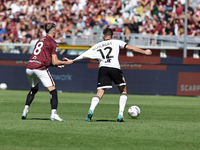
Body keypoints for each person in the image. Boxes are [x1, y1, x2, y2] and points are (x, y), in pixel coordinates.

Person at [72, 28, 152, 122]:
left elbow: (83, 55)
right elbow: (130, 47)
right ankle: (120, 115)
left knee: (99, 93)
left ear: (103, 36)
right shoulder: (116, 42)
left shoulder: (97, 45)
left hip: (103, 68)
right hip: (114, 67)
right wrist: (145, 52)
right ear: (112, 36)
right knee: (123, 91)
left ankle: (90, 110)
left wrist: (71, 61)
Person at [21, 23, 73, 121]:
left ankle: (25, 111)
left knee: (34, 89)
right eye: (56, 31)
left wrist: (57, 64)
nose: (56, 33)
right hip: (39, 69)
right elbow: (54, 61)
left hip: (29, 67)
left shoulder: (39, 40)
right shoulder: (53, 42)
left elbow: (44, 60)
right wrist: (67, 63)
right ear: (53, 32)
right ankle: (54, 114)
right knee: (53, 91)